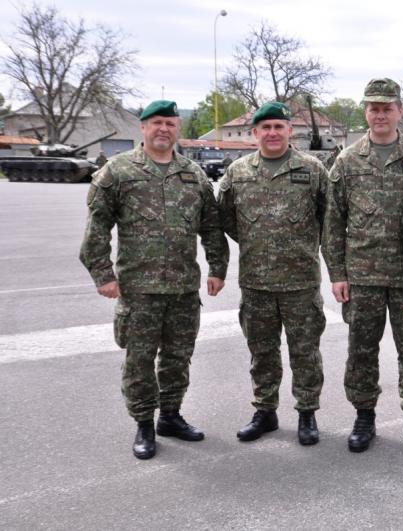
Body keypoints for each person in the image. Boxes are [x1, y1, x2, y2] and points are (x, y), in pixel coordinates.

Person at [79, 100, 229, 460]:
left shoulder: (192, 174)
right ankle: (144, 423)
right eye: (157, 122)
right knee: (140, 361)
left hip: (182, 288)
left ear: (178, 129)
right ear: (143, 127)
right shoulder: (118, 172)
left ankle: (171, 416)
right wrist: (103, 274)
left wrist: (217, 268)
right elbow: (97, 227)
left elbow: (211, 227)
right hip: (139, 290)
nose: (164, 129)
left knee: (178, 357)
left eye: (170, 123)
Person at [322, 78, 403, 452]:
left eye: (387, 108)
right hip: (362, 276)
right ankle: (364, 415)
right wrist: (337, 274)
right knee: (361, 350)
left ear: (400, 111)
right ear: (366, 112)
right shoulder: (347, 160)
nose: (380, 114)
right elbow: (333, 222)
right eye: (373, 108)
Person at [218, 102, 327, 446]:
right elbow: (226, 219)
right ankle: (265, 411)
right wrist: (259, 242)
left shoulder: (312, 170)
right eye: (265, 127)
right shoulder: (237, 172)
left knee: (305, 351)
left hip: (300, 282)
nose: (272, 133)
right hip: (256, 283)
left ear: (289, 130)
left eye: (279, 127)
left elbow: (329, 219)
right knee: (262, 351)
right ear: (255, 133)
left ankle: (307, 412)